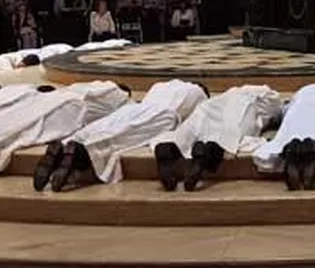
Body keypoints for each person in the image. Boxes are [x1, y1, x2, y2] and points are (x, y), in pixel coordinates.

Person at [0, 80, 130, 189]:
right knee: (16, 134)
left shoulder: (86, 84)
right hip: (68, 109)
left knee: (4, 124)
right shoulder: (119, 96)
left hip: (47, 101)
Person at [34, 79, 207, 192]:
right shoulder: (199, 94)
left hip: (133, 109)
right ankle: (79, 153)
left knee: (105, 127)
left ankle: (67, 144)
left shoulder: (159, 85)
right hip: (163, 115)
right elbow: (193, 120)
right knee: (118, 139)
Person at [152, 85, 283, 191]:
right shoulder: (265, 95)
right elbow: (274, 104)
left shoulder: (223, 95)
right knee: (230, 136)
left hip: (211, 105)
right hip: (245, 103)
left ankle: (170, 147)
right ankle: (207, 153)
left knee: (192, 130)